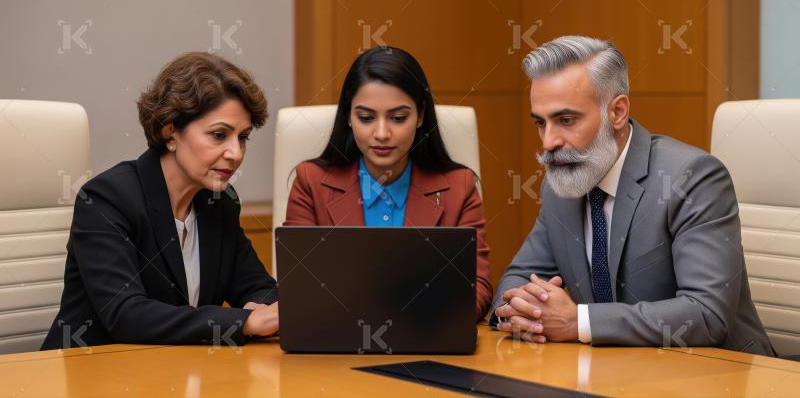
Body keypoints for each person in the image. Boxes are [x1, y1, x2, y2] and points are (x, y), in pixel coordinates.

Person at [491, 35, 775, 356]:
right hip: (615, 370)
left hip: (720, 370)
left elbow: (706, 313)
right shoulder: (562, 184)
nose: (548, 142)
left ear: (617, 112)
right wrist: (524, 310)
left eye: (566, 120)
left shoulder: (691, 177)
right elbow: (516, 279)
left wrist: (578, 321)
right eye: (540, 123)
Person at [42, 52, 279, 350]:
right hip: (91, 369)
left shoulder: (219, 201)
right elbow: (126, 315)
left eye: (243, 137)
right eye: (219, 135)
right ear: (170, 132)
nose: (236, 153)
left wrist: (266, 307)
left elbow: (258, 287)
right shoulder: (107, 198)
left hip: (174, 369)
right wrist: (245, 321)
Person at [284, 46, 493, 320]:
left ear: (420, 116)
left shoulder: (459, 187)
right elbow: (299, 288)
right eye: (366, 118)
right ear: (348, 117)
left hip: (426, 337)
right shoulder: (311, 183)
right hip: (336, 340)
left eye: (397, 118)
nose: (382, 133)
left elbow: (476, 291)